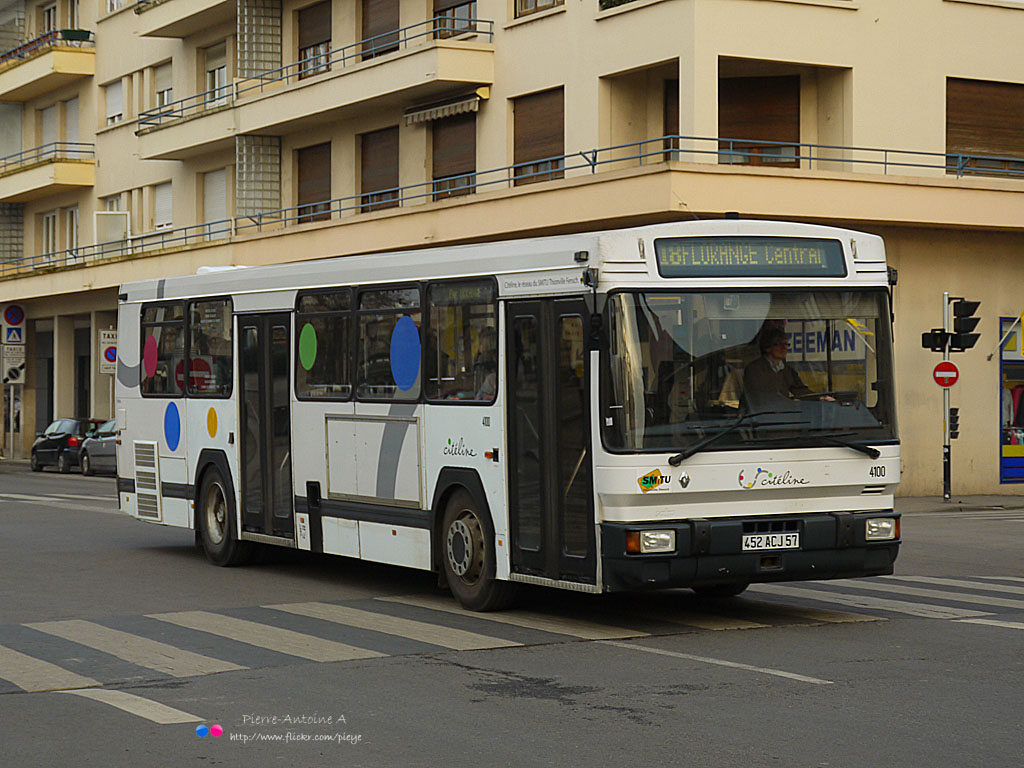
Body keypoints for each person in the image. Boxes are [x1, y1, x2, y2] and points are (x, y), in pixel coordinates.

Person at [743, 327, 835, 403]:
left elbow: (800, 390)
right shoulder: (754, 369)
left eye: (786, 344)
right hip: (761, 418)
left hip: (783, 417)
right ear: (767, 348)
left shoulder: (787, 370)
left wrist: (820, 398)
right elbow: (758, 397)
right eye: (779, 344)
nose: (784, 348)